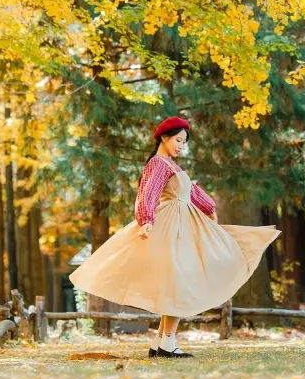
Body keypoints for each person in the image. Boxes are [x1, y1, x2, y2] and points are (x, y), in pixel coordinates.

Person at [69, 116, 281, 358]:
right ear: (164, 138)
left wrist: (209, 206)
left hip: (183, 223)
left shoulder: (171, 165)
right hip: (172, 225)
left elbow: (190, 191)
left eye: (185, 142)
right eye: (178, 140)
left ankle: (161, 342)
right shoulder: (158, 164)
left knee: (178, 283)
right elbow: (148, 192)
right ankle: (167, 343)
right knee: (180, 282)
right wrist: (147, 220)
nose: (182, 146)